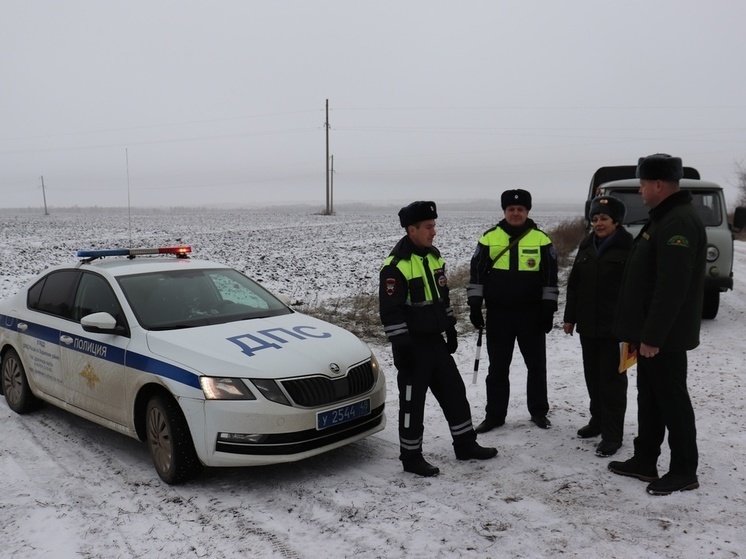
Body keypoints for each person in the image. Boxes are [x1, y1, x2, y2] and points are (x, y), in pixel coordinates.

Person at [608, 153, 706, 496]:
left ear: (659, 185)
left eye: (644, 183)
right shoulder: (664, 217)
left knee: (672, 401)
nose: (641, 188)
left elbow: (671, 288)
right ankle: (645, 460)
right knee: (649, 397)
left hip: (664, 337)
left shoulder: (677, 221)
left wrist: (652, 336)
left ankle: (684, 470)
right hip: (650, 334)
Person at [379, 201, 498, 477]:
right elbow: (390, 311)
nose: (434, 232)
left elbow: (441, 297)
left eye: (434, 226)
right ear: (412, 229)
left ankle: (466, 444)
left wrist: (451, 327)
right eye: (429, 227)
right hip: (412, 346)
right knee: (412, 403)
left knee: (455, 393)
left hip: (435, 342)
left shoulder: (434, 257)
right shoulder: (396, 266)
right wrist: (401, 346)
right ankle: (411, 457)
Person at [468, 189, 559, 432]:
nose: (516, 213)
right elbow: (476, 273)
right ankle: (495, 415)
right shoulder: (489, 238)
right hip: (499, 315)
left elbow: (550, 277)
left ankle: (539, 412)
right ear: (504, 211)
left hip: (532, 314)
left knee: (536, 366)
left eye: (520, 209)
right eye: (511, 209)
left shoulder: (542, 239)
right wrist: (475, 305)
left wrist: (548, 308)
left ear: (527, 211)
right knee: (497, 368)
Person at [563, 195, 633, 457]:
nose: (599, 223)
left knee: (613, 382)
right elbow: (575, 284)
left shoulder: (629, 247)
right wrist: (570, 317)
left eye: (604, 218)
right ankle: (597, 421)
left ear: (616, 221)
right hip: (589, 327)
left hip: (616, 329)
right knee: (592, 376)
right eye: (594, 219)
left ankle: (613, 434)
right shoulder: (586, 245)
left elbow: (636, 291)